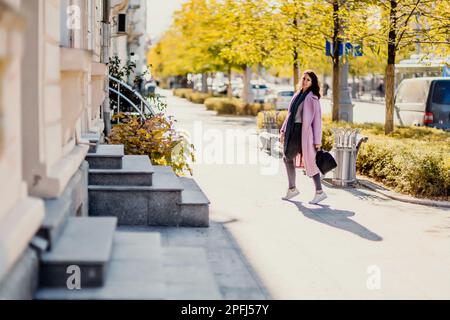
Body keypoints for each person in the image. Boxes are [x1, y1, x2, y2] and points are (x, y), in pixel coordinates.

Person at [279, 70, 327, 204]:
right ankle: (317, 191)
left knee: (291, 157)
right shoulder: (297, 95)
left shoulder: (312, 98)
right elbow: (289, 115)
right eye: (304, 79)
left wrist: (317, 140)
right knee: (293, 158)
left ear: (313, 83)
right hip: (292, 130)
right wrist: (283, 130)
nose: (305, 81)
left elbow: (317, 120)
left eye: (308, 80)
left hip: (302, 132)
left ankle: (296, 189)